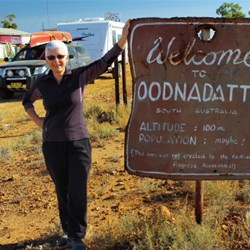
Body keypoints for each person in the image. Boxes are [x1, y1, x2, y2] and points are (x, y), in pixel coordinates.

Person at [22, 20, 130, 250]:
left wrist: (122, 40)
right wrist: (39, 121)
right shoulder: (43, 83)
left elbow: (104, 62)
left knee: (77, 190)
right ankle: (68, 232)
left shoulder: (79, 77)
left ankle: (77, 236)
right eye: (51, 57)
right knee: (62, 190)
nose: (56, 61)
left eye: (60, 56)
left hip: (78, 142)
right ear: (46, 59)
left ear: (67, 57)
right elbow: (26, 101)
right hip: (52, 144)